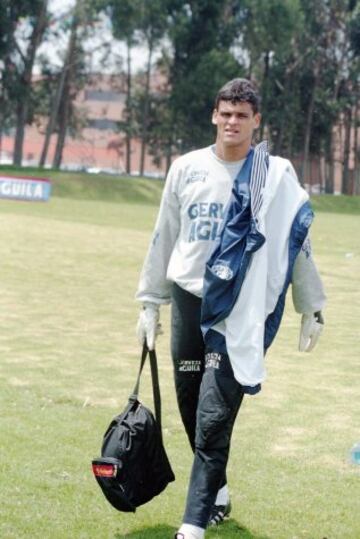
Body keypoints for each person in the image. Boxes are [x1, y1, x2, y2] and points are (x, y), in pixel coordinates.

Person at [135, 78, 326, 539]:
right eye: (226, 113)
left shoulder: (273, 176)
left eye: (242, 115)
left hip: (238, 308)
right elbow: (165, 235)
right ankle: (216, 489)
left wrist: (311, 304)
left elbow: (295, 243)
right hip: (187, 297)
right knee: (188, 401)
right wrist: (150, 302)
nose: (232, 122)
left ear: (256, 121)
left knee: (214, 412)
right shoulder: (186, 168)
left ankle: (192, 524)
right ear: (213, 116)